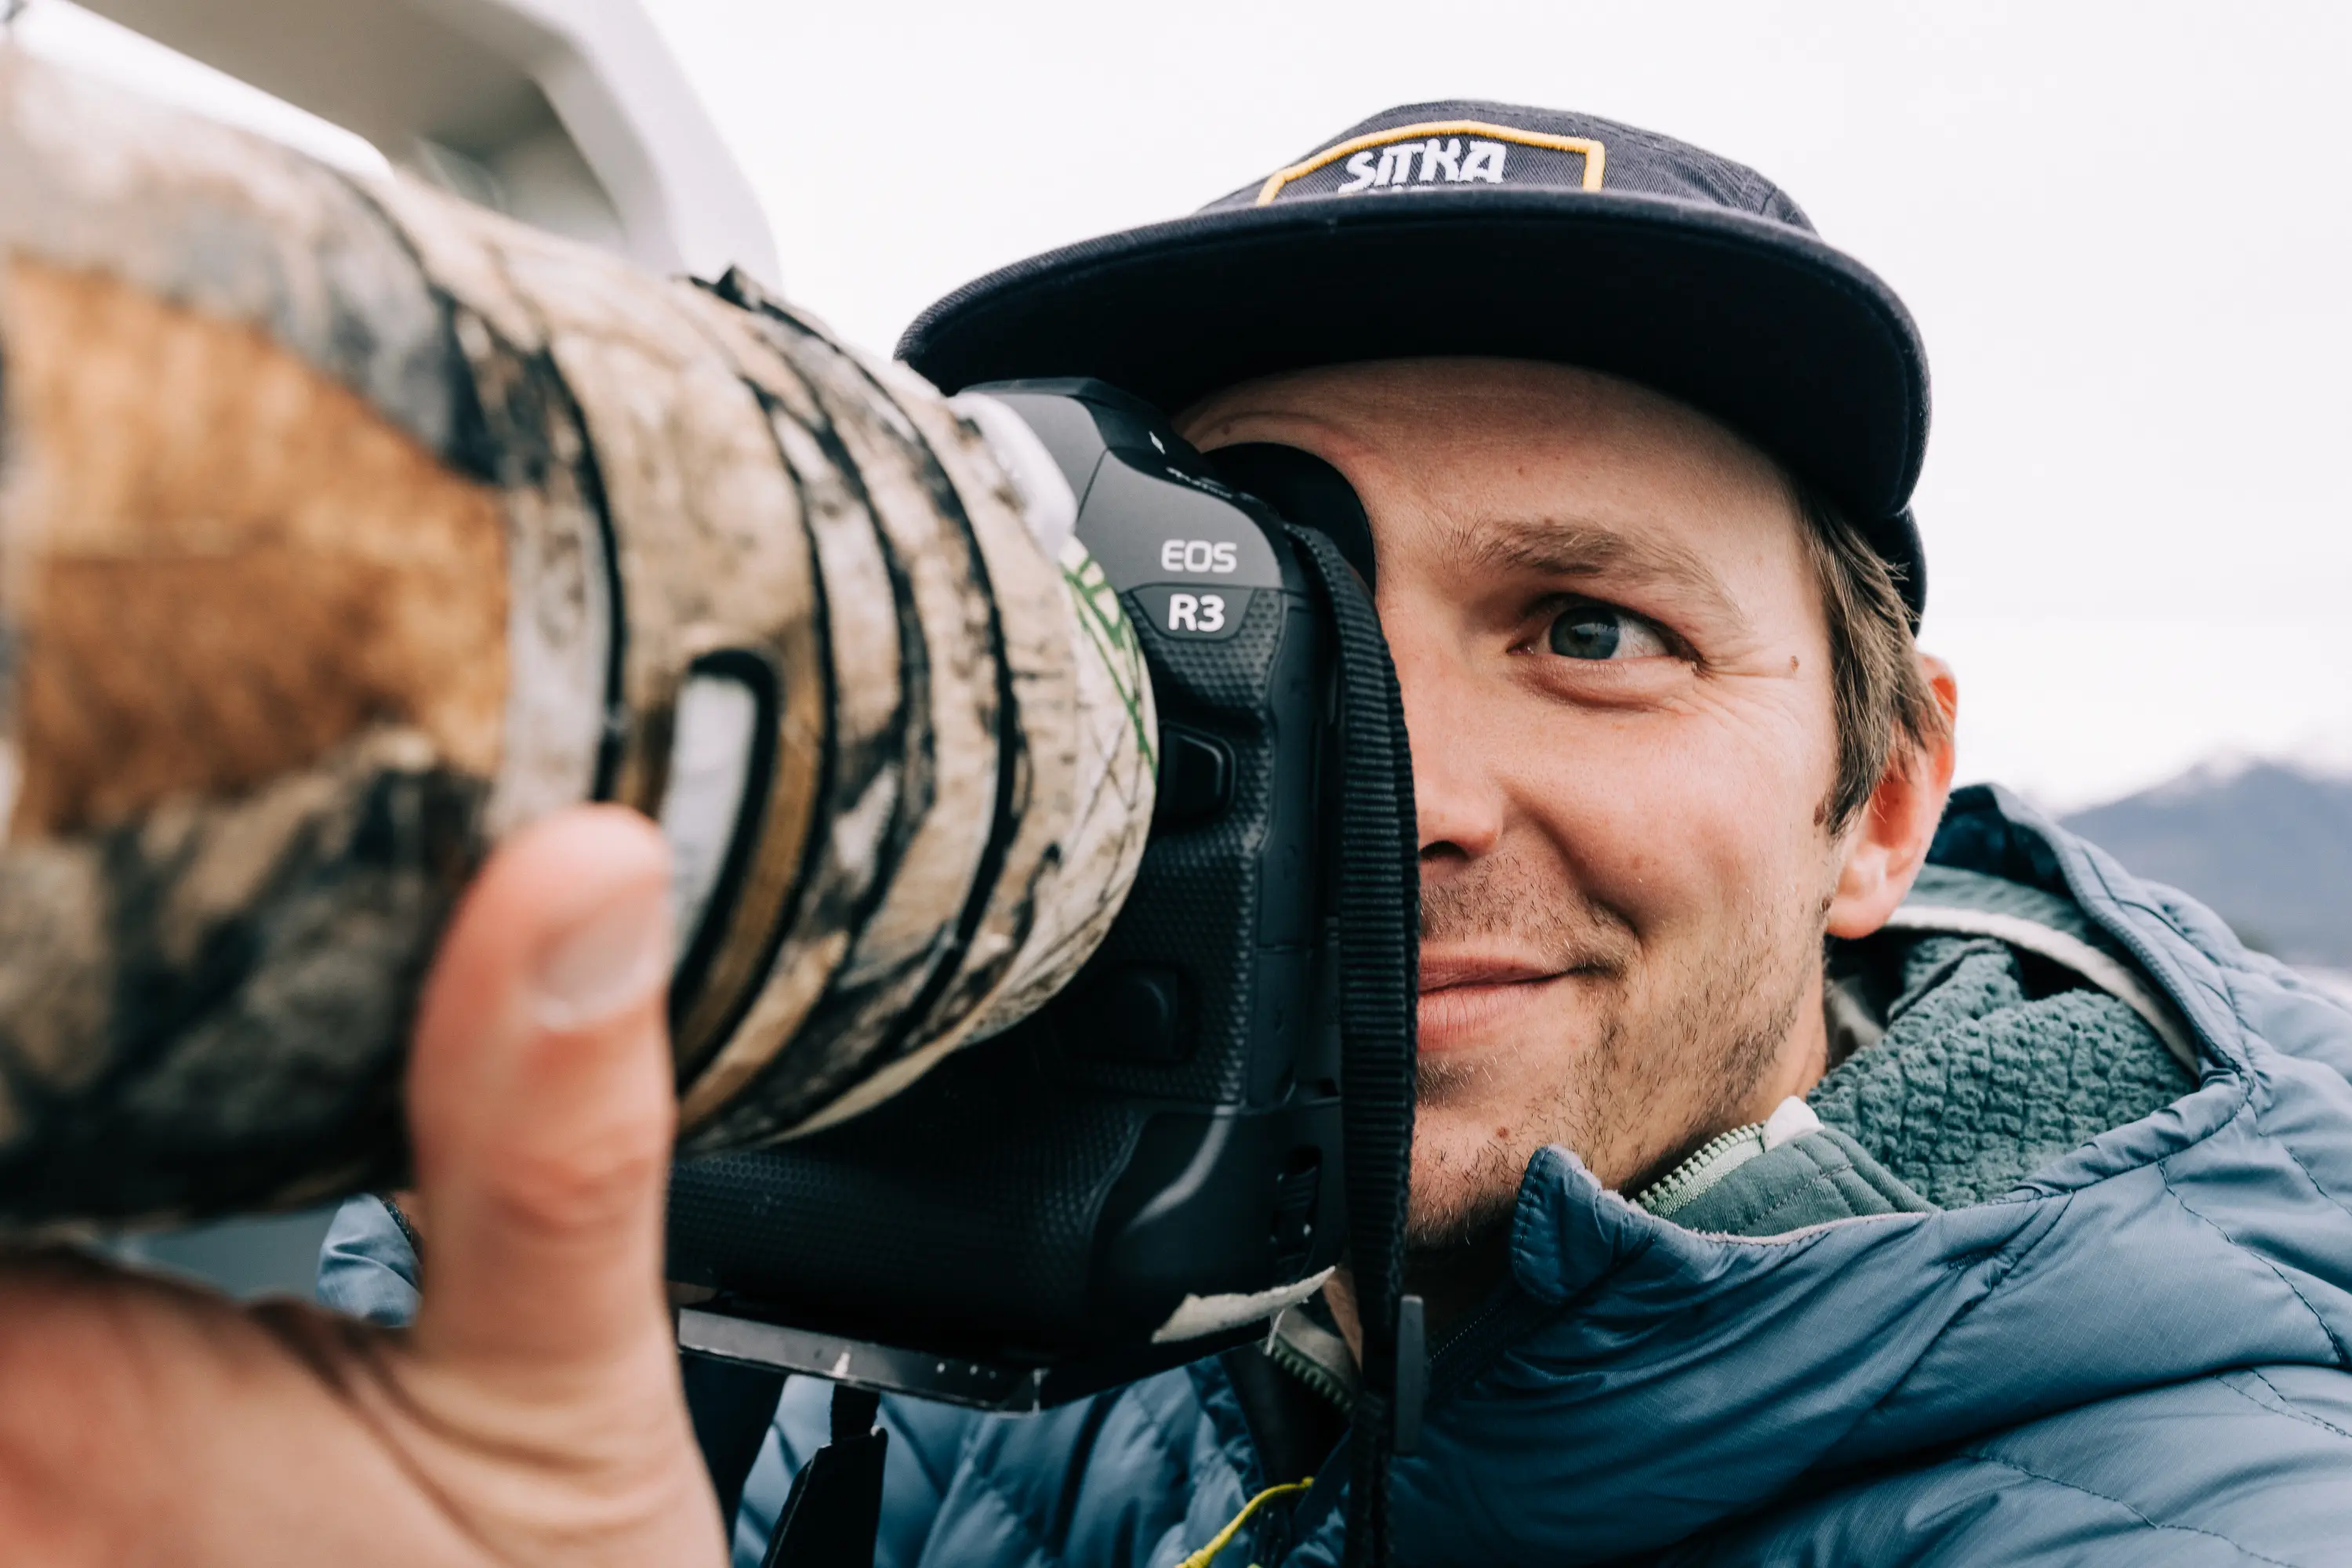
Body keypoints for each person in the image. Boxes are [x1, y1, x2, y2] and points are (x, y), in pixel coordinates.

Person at [10, 100, 2352, 1566]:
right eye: (1272, 634)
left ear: (1878, 804)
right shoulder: (851, 1297)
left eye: (1593, 631)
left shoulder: (2197, 1501)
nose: (1400, 798)